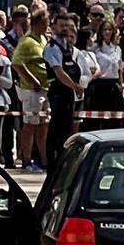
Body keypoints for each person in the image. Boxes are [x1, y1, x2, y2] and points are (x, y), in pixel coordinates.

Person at [11, 10, 50, 171]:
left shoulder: (43, 39)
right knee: (30, 125)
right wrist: (32, 80)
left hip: (45, 89)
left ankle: (43, 159)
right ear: (36, 24)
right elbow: (17, 63)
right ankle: (26, 159)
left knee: (43, 125)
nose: (46, 27)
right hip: (31, 90)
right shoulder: (26, 41)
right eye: (44, 24)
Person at [43, 15, 83, 165]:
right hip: (59, 92)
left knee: (66, 127)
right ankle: (53, 162)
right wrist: (75, 86)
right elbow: (59, 72)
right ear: (53, 27)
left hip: (68, 93)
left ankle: (62, 158)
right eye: (62, 26)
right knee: (57, 128)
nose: (65, 29)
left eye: (67, 26)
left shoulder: (67, 47)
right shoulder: (52, 48)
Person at [86, 19, 124, 130]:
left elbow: (119, 69)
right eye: (105, 29)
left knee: (114, 118)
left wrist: (121, 84)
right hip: (100, 85)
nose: (107, 32)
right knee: (98, 117)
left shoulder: (117, 49)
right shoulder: (95, 48)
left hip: (114, 84)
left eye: (110, 29)